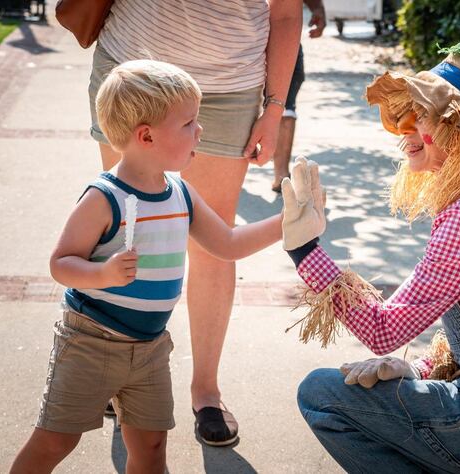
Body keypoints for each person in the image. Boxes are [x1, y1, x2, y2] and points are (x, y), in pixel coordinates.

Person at [280, 0, 460, 472]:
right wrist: (415, 370)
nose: (406, 130)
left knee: (320, 395)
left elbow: (383, 330)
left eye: (424, 117)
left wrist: (305, 249)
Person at [10, 59, 282, 474]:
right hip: (90, 342)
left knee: (152, 448)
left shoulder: (180, 193)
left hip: (151, 348)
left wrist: (288, 223)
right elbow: (61, 263)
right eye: (189, 122)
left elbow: (227, 245)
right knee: (55, 440)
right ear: (147, 135)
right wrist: (102, 275)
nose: (200, 130)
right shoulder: (104, 197)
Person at [87, 0, 302, 445]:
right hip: (132, 70)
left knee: (210, 241)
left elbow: (284, 11)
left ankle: (206, 390)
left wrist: (274, 107)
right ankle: (117, 370)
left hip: (227, 85)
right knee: (123, 229)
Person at [271, 0, 326, 192]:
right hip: (244, 38)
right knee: (245, 102)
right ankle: (280, 174)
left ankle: (281, 174)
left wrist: (317, 8)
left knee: (284, 103)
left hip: (282, 35)